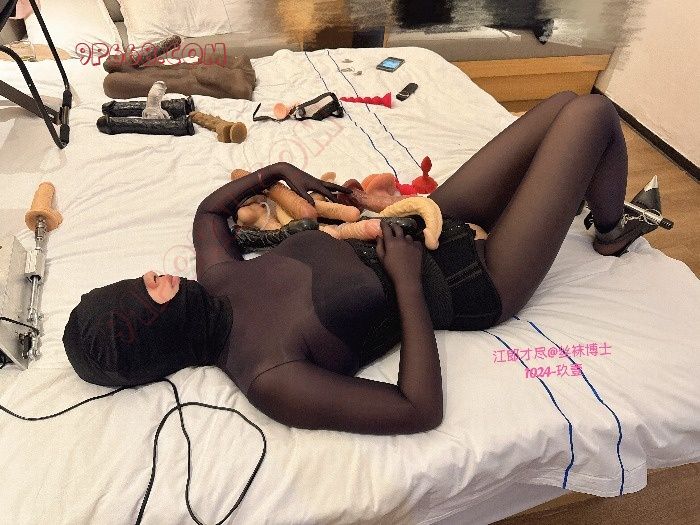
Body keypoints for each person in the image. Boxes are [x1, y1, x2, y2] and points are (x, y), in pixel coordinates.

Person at [64, 92, 663, 435]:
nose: (151, 276)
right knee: (593, 116)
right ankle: (612, 234)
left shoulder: (218, 279)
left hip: (424, 221)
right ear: (154, 333)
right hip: (476, 280)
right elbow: (418, 410)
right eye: (144, 292)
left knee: (563, 104)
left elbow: (209, 213)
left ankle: (592, 208)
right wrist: (406, 282)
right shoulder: (270, 376)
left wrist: (279, 171)